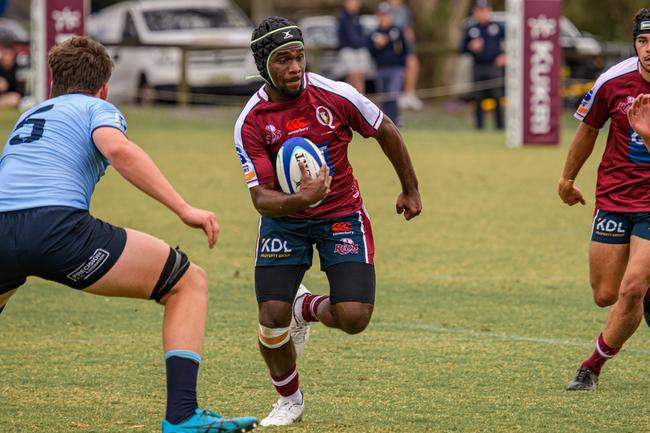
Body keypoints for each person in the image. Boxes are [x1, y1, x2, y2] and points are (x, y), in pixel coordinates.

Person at [0, 36, 257, 432]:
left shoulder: (28, 116)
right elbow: (119, 151)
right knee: (188, 282)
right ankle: (183, 416)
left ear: (53, 82)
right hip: (56, 228)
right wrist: (184, 209)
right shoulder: (97, 108)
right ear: (103, 87)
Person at [235, 16, 421, 426]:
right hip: (285, 221)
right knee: (271, 315)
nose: (295, 67)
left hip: (341, 212)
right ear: (265, 64)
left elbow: (386, 129)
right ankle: (289, 400)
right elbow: (261, 199)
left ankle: (307, 306)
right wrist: (299, 198)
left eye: (299, 57)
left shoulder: (334, 95)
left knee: (354, 317)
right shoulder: (251, 120)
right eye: (284, 60)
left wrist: (410, 189)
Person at [559, 9, 650, 391]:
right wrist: (567, 179)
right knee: (605, 294)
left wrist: (647, 135)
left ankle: (591, 367)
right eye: (643, 41)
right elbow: (588, 129)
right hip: (613, 197)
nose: (649, 50)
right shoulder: (613, 80)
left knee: (632, 289)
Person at [460, 0, 505, 130]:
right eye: (479, 10)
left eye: (485, 10)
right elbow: (462, 49)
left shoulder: (498, 27)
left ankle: (500, 126)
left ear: (489, 11)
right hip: (478, 67)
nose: (482, 13)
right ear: (475, 12)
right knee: (478, 97)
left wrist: (505, 55)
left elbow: (512, 42)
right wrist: (471, 47)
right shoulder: (471, 28)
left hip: (494, 67)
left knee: (497, 96)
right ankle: (479, 127)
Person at [368, 2, 410, 126]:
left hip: (395, 68)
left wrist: (402, 66)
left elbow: (405, 50)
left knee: (393, 94)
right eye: (381, 15)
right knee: (383, 96)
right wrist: (378, 46)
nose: (384, 18)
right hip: (381, 68)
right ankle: (384, 122)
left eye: (386, 15)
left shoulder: (397, 31)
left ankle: (394, 120)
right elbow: (371, 51)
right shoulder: (374, 33)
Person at [387, 0, 423, 111]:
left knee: (413, 63)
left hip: (402, 48)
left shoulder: (404, 11)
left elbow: (408, 31)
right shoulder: (385, 9)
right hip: (389, 49)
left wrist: (410, 49)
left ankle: (409, 95)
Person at [337, 0, 372, 93]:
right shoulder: (343, 18)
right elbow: (352, 38)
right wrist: (362, 42)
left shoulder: (358, 17)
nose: (355, 4)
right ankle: (358, 100)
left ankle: (359, 100)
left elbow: (363, 35)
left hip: (359, 50)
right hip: (348, 50)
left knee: (359, 76)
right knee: (354, 75)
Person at [0, 42, 21, 108]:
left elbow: (19, 93)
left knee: (15, 99)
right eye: (5, 54)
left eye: (9, 54)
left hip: (12, 97)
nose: (7, 57)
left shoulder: (17, 69)